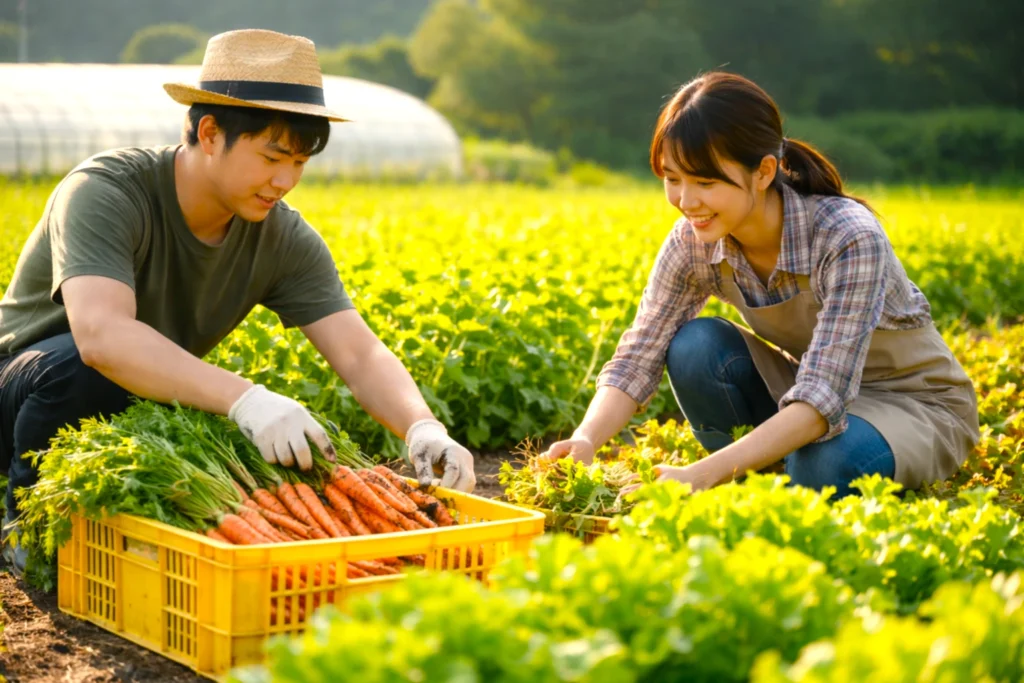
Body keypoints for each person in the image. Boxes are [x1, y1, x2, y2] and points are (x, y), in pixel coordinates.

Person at [0, 29, 475, 575]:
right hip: (21, 387)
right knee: (88, 371)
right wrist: (248, 399)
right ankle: (27, 530)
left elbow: (359, 354)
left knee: (269, 440)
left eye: (299, 163)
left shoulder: (282, 238)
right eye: (273, 156)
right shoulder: (106, 192)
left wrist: (422, 427)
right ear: (209, 131)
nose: (285, 181)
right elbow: (103, 338)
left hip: (125, 403)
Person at [543, 71, 980, 500]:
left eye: (706, 182)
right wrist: (586, 438)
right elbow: (640, 353)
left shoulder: (847, 237)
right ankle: (764, 482)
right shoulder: (693, 241)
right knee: (696, 347)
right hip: (806, 388)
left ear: (764, 171)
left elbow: (824, 394)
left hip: (911, 404)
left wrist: (700, 474)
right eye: (672, 179)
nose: (686, 201)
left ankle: (776, 477)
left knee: (823, 465)